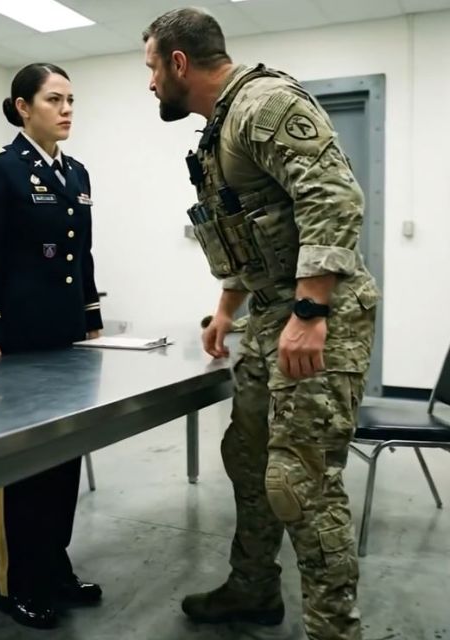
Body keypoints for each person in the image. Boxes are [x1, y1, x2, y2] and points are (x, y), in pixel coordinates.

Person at [143, 9, 379, 640]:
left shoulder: (263, 105)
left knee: (301, 481)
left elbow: (334, 198)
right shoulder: (220, 127)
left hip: (316, 315)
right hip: (272, 312)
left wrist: (310, 310)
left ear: (179, 63)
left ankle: (335, 630)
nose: (150, 82)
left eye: (152, 67)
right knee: (248, 461)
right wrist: (227, 308)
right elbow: (248, 227)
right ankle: (252, 589)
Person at [0, 62, 104, 629]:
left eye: (71, 100)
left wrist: (91, 323)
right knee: (19, 469)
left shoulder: (76, 173)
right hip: (16, 347)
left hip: (64, 343)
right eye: (53, 100)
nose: (66, 110)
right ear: (23, 107)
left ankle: (53, 567)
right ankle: (16, 582)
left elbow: (81, 255)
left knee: (62, 460)